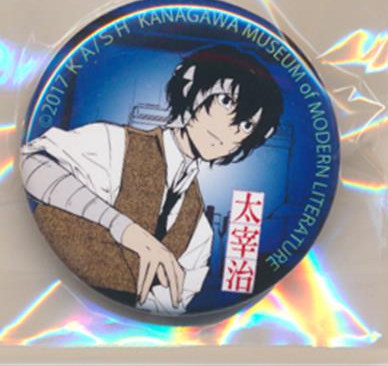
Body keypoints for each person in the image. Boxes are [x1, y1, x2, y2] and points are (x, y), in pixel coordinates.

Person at [21, 44, 283, 315]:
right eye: (225, 101)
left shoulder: (199, 229)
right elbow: (32, 164)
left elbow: (170, 305)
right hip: (35, 293)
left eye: (247, 125)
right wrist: (121, 227)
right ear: (189, 84)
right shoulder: (114, 143)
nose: (230, 129)